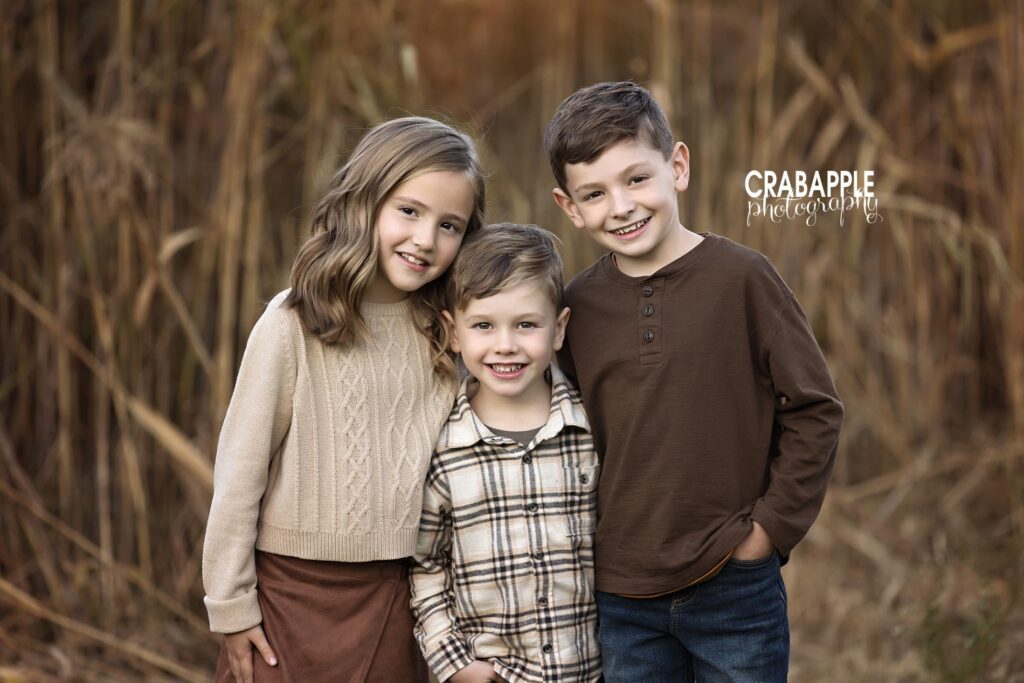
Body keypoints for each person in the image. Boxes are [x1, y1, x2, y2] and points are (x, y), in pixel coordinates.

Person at [544, 81, 844, 682]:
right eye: (594, 194)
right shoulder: (576, 306)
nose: (621, 206)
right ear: (570, 208)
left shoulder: (743, 279)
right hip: (621, 595)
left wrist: (769, 531)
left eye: (636, 179)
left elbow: (813, 408)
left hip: (732, 584)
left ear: (676, 166)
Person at [201, 116, 486, 682]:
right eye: (409, 211)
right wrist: (230, 607)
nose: (426, 239)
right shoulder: (293, 322)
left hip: (399, 598)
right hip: (289, 595)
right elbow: (239, 472)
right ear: (365, 203)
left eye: (449, 225)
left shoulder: (450, 333)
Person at [410, 223, 602, 683]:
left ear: (558, 329)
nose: (505, 345)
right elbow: (425, 565)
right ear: (453, 332)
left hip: (590, 670)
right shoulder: (442, 448)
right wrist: (454, 661)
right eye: (483, 326)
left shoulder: (591, 431)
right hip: (492, 673)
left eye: (526, 325)